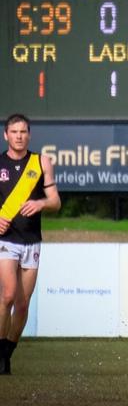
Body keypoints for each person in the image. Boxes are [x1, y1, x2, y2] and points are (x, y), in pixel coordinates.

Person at [0, 113, 61, 375]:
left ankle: (7, 353)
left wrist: (41, 203)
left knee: (23, 305)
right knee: (9, 295)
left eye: (23, 131)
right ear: (6, 135)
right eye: (14, 132)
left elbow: (56, 202)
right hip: (6, 240)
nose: (19, 136)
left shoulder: (41, 162)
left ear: (29, 134)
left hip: (32, 241)